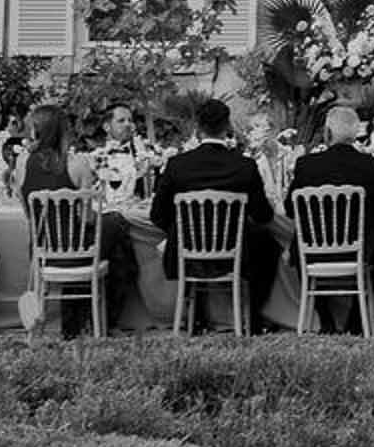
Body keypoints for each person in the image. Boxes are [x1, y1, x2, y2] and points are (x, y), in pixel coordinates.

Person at [150, 97, 279, 334]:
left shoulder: (178, 165)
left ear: (198, 128)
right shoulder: (244, 166)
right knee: (269, 244)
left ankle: (197, 316)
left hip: (187, 253)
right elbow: (263, 215)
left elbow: (157, 214)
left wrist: (182, 232)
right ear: (227, 127)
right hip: (236, 253)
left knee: (182, 238)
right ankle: (254, 318)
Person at [19, 103, 135, 337]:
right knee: (118, 228)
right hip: (79, 251)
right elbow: (87, 218)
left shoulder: (22, 163)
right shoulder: (77, 164)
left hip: (42, 250)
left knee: (113, 231)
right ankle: (107, 318)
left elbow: (27, 213)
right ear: (63, 131)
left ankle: (76, 322)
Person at [286, 104, 374, 333]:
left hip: (314, 250)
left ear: (327, 132)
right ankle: (355, 319)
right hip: (360, 250)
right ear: (356, 134)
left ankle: (326, 318)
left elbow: (290, 209)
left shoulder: (306, 165)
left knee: (299, 242)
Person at [89, 102, 161, 206]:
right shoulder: (96, 157)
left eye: (130, 120)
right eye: (121, 121)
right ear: (106, 127)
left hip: (137, 213)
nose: (128, 124)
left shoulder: (144, 154)